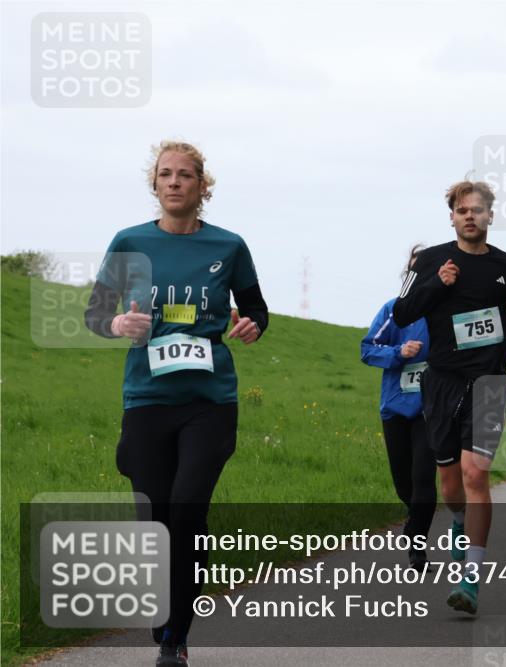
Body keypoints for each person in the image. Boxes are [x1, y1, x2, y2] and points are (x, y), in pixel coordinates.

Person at [85, 141, 268, 667]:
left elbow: (256, 308)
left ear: (201, 186)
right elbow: (96, 313)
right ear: (155, 183)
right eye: (165, 174)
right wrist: (119, 323)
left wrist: (252, 324)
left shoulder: (228, 246)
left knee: (186, 510)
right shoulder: (129, 241)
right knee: (155, 520)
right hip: (147, 399)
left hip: (209, 401)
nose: (173, 182)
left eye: (184, 175)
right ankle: (178, 586)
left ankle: (174, 638)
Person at [392, 180, 506, 614]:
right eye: (462, 210)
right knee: (451, 484)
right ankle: (456, 520)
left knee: (476, 475)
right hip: (442, 381)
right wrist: (438, 285)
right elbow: (403, 312)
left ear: (490, 216)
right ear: (451, 216)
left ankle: (470, 578)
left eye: (478, 210)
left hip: (488, 382)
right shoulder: (431, 260)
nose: (471, 216)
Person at [360, 245, 436, 570]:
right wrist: (398, 352)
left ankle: (417, 546)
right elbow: (367, 349)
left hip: (431, 408)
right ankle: (414, 517)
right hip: (395, 407)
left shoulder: (444, 313)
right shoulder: (393, 310)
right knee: (403, 482)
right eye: (415, 269)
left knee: (423, 477)